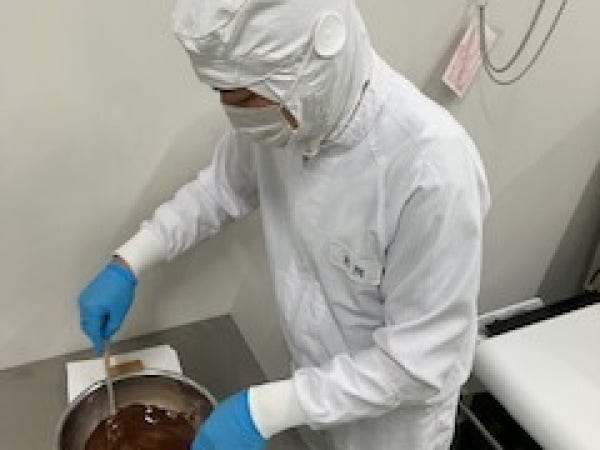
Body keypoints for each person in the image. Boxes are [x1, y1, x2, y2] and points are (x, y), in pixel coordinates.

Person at [78, 0, 490, 449]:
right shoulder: (287, 117)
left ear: (313, 67)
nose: (237, 116)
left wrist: (266, 411)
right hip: (311, 397)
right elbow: (220, 189)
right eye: (222, 94)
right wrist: (131, 259)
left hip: (388, 431)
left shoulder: (431, 171)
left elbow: (420, 362)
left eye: (245, 99)